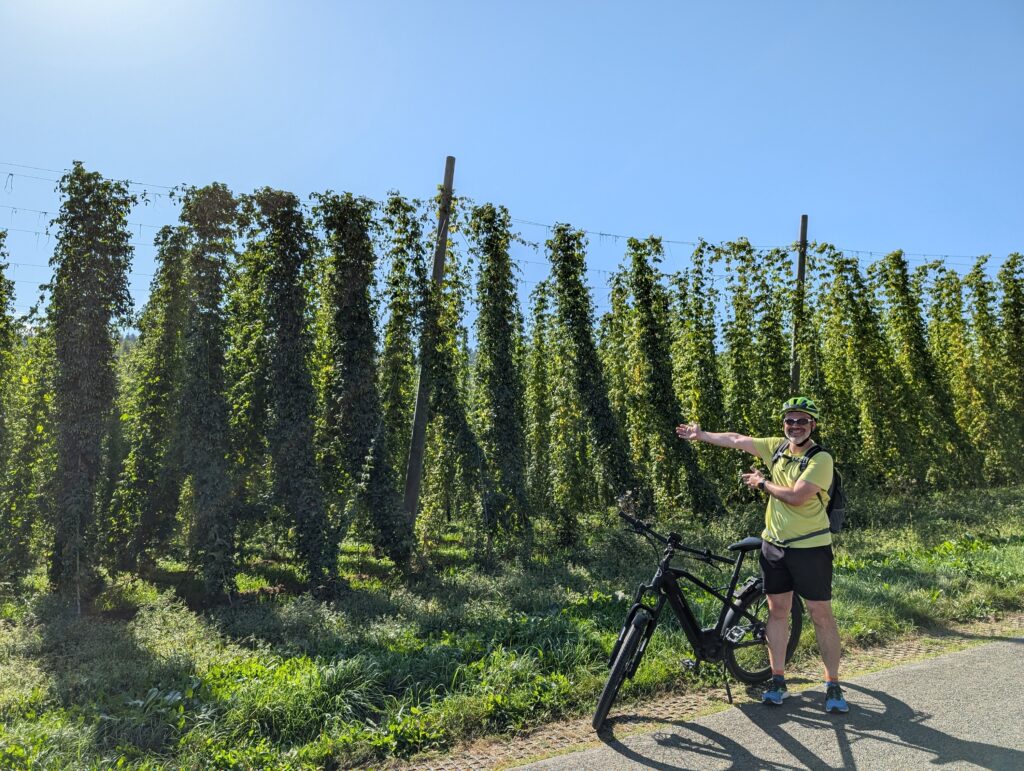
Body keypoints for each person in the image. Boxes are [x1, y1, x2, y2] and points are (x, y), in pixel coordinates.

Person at [675, 396, 849, 714]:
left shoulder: (820, 459)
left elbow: (797, 497)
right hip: (774, 547)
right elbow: (738, 440)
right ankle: (778, 679)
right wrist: (702, 435)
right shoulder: (777, 447)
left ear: (812, 425)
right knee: (777, 611)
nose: (794, 426)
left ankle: (833, 683)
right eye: (789, 421)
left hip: (810, 548)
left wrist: (762, 483)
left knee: (820, 614)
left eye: (801, 421)